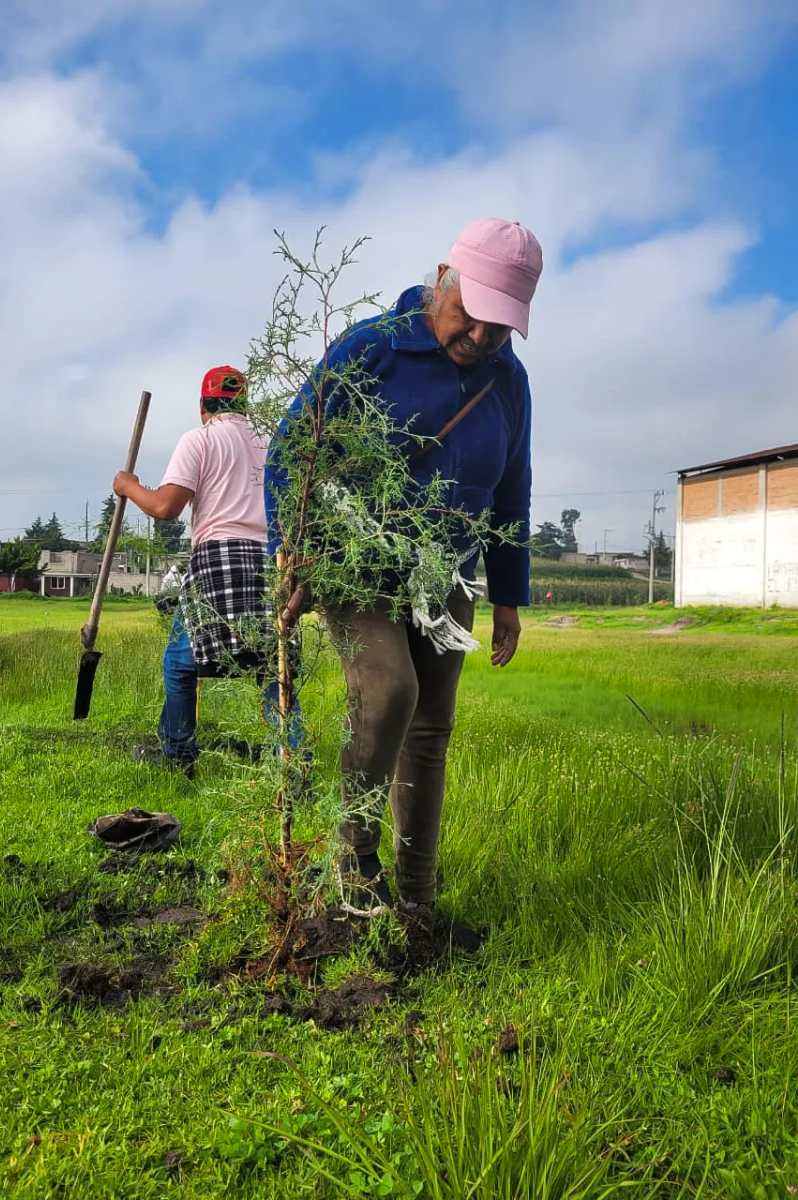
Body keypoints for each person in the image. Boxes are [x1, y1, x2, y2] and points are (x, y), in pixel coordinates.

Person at [266, 217, 542, 919]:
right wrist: (293, 548)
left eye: (500, 328)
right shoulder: (374, 349)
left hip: (446, 577)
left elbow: (512, 490)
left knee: (431, 727)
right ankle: (356, 873)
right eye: (472, 317)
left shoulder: (508, 383)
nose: (480, 338)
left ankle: (417, 896)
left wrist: (509, 594)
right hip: (359, 561)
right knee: (390, 693)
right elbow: (292, 449)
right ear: (445, 281)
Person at [114, 365, 302, 774]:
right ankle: (292, 766)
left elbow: (167, 507)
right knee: (274, 666)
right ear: (245, 404)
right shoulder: (270, 442)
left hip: (218, 559)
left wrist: (127, 486)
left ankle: (178, 757)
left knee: (180, 665)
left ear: (204, 406)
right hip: (271, 563)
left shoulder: (200, 438)